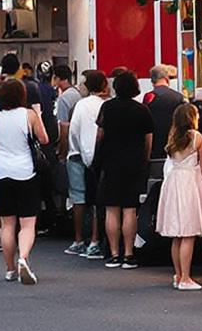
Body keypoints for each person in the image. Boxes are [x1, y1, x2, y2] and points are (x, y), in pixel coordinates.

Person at [0, 72, 49, 285]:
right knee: (27, 224)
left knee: (7, 223)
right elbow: (44, 139)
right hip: (25, 171)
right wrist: (38, 115)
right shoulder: (29, 115)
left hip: (0, 172)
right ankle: (23, 259)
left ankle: (9, 269)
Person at [154, 103, 202, 291]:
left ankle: (178, 274)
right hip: (190, 183)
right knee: (188, 233)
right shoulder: (197, 137)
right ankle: (186, 278)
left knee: (177, 235)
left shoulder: (172, 137)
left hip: (173, 183)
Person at [96, 69, 154, 270]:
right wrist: (144, 160)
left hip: (111, 161)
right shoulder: (142, 110)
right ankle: (129, 254)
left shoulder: (107, 108)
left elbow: (100, 135)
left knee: (112, 208)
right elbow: (148, 140)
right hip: (134, 163)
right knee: (130, 208)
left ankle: (113, 254)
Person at [64, 71, 106, 258]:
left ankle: (78, 239)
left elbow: (72, 130)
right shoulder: (105, 105)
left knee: (78, 198)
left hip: (76, 155)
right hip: (99, 156)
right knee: (97, 199)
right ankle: (95, 241)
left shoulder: (80, 105)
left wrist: (73, 149)